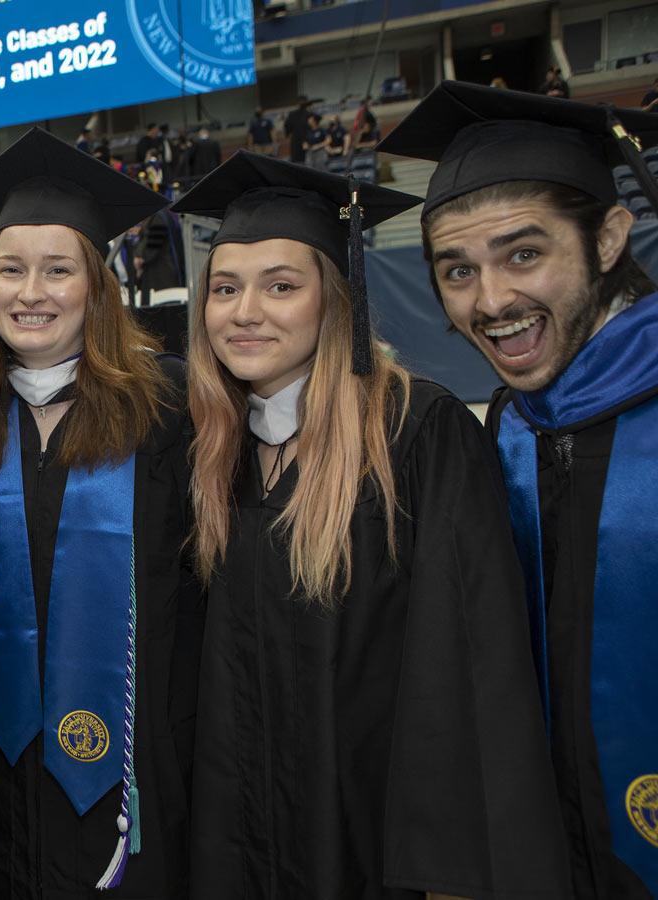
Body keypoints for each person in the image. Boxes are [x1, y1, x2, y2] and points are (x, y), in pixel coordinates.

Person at [170, 150, 571, 898]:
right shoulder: (210, 451)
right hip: (236, 842)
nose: (245, 311)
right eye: (224, 289)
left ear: (336, 297)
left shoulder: (415, 433)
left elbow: (466, 671)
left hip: (373, 848)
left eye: (281, 286)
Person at [383, 80, 658, 899]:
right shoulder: (504, 433)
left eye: (524, 254)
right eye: (457, 270)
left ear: (609, 237)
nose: (492, 301)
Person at [0, 127, 201, 897]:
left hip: (137, 767)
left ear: (97, 286)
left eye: (58, 271)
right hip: (5, 778)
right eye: (11, 271)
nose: (31, 293)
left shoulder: (170, 409)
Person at [284, 95, 313, 163]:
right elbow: (287, 127)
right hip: (300, 142)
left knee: (301, 162)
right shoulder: (308, 114)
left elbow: (287, 128)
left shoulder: (308, 114)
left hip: (302, 142)